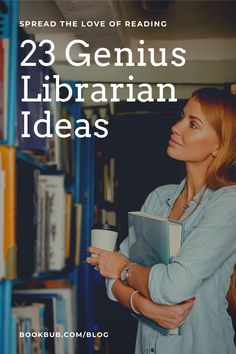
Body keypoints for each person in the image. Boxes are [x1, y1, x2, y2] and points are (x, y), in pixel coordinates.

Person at [87, 88, 236, 354]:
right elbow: (111, 281)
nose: (176, 127)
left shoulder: (228, 203)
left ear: (219, 144)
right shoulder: (159, 198)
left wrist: (123, 268)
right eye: (181, 117)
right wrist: (145, 307)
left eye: (192, 124)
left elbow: (172, 286)